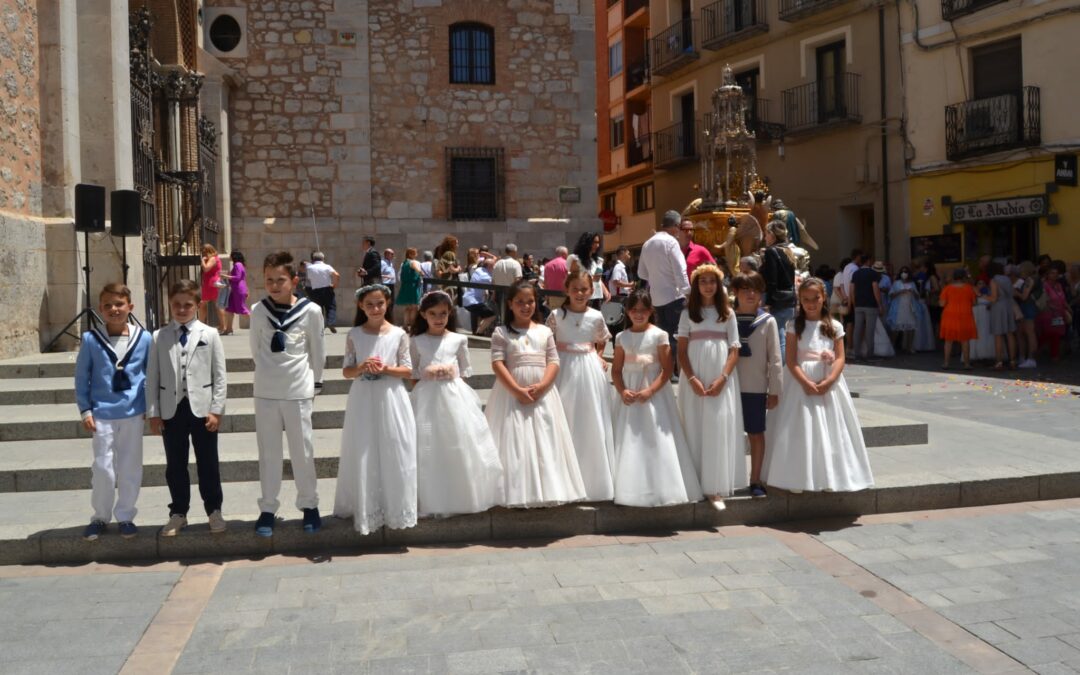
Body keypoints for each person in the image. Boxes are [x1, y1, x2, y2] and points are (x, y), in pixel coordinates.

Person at [762, 277, 874, 493]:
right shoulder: (794, 325)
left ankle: (829, 476)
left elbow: (840, 358)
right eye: (805, 299)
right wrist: (804, 382)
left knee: (830, 429)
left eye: (816, 298)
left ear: (824, 298)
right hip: (799, 381)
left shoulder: (835, 326)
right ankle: (797, 478)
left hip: (828, 380)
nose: (811, 303)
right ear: (799, 301)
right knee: (800, 429)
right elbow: (792, 360)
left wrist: (830, 380)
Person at [486, 281, 586, 506]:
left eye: (530, 301)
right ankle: (515, 491)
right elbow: (498, 363)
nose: (525, 306)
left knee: (545, 437)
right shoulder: (501, 332)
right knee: (514, 441)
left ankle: (548, 489)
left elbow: (553, 360)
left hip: (543, 392)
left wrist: (543, 386)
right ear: (510, 304)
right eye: (519, 302)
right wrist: (516, 390)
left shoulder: (545, 331)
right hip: (511, 393)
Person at [249, 251, 325, 537]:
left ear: (294, 280)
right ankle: (268, 508)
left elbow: (317, 351)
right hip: (267, 390)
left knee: (302, 452)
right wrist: (268, 373)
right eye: (269, 280)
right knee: (268, 453)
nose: (274, 285)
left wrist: (315, 382)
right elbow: (255, 350)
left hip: (298, 390)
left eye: (280, 280)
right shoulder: (258, 310)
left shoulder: (311, 311)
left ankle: (309, 505)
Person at [409, 291, 504, 516]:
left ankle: (463, 493)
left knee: (459, 440)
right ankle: (431, 495)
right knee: (428, 443)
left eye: (443, 313)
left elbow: (465, 370)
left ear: (449, 313)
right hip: (426, 397)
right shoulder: (416, 341)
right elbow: (412, 372)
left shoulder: (458, 339)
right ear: (423, 314)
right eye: (432, 314)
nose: (438, 318)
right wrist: (427, 373)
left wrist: (450, 372)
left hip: (454, 396)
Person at [146, 279, 228, 537]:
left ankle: (214, 509)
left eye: (187, 305)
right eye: (177, 305)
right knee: (175, 464)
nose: (182, 310)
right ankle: (178, 512)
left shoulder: (210, 334)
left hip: (202, 409)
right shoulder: (159, 337)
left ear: (198, 305)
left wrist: (216, 409)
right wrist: (154, 413)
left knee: (208, 462)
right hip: (172, 409)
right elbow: (153, 377)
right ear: (170, 305)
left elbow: (220, 375)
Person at [334, 284, 417, 534]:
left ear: (387, 303)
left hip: (391, 396)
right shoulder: (354, 334)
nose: (375, 308)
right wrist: (361, 367)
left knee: (395, 447)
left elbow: (408, 370)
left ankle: (396, 506)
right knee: (364, 448)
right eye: (369, 304)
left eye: (380, 303)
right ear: (361, 306)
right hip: (363, 398)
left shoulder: (399, 334)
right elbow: (347, 371)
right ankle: (366, 505)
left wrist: (385, 369)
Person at [611, 289, 703, 507]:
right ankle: (629, 488)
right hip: (629, 395)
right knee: (630, 439)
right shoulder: (621, 337)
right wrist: (622, 390)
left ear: (651, 311)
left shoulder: (659, 335)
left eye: (643, 310)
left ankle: (663, 487)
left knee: (655, 438)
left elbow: (667, 368)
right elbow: (616, 370)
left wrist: (650, 391)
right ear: (627, 312)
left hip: (654, 394)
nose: (638, 314)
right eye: (634, 310)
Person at [75, 283, 153, 540]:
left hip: (133, 411)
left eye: (119, 304)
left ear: (130, 307)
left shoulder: (144, 338)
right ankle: (100, 515)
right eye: (107, 305)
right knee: (102, 467)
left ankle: (126, 515)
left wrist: (150, 407)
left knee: (130, 466)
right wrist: (86, 410)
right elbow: (81, 377)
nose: (114, 309)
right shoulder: (90, 339)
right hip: (102, 413)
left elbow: (151, 375)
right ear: (100, 309)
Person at [676, 264, 744, 510]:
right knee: (694, 424)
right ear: (696, 286)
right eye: (703, 281)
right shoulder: (687, 314)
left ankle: (714, 487)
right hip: (694, 377)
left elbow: (734, 349)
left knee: (717, 426)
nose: (708, 285)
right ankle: (694, 481)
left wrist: (723, 378)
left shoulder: (726, 312)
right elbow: (681, 351)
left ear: (719, 285)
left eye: (712, 281)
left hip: (720, 378)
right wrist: (692, 378)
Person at [547, 269, 616, 502]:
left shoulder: (596, 315)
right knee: (565, 415)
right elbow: (548, 343)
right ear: (566, 289)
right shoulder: (556, 315)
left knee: (590, 418)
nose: (579, 293)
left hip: (588, 369)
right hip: (562, 367)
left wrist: (598, 355)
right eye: (575, 288)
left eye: (584, 289)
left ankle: (592, 479)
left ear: (591, 290)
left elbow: (601, 339)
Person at [732, 272, 781, 499]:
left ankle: (756, 479)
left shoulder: (768, 321)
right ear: (736, 293)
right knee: (727, 434)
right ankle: (727, 478)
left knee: (756, 433)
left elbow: (775, 358)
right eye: (745, 290)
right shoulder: (727, 319)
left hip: (756, 386)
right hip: (728, 387)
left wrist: (775, 389)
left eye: (755, 290)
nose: (750, 294)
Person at [637, 210, 691, 367]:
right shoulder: (671, 242)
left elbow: (642, 273)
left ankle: (663, 368)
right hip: (674, 297)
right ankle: (673, 370)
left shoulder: (647, 243)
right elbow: (680, 270)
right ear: (676, 226)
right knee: (676, 335)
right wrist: (687, 292)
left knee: (662, 335)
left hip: (656, 298)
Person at [761, 220, 798, 363]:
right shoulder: (788, 251)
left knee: (779, 336)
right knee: (783, 333)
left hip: (776, 300)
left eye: (766, 234)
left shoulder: (771, 251)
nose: (765, 237)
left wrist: (768, 302)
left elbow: (772, 280)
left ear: (772, 235)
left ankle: (782, 368)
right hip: (789, 298)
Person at [939, 267, 978, 370]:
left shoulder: (947, 288)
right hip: (965, 315)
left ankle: (946, 363)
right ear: (964, 277)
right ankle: (966, 364)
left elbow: (942, 303)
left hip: (950, 315)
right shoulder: (969, 288)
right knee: (965, 341)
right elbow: (974, 303)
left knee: (948, 341)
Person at [848, 254, 883, 361]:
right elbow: (875, 289)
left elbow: (852, 290)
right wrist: (880, 304)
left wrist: (854, 303)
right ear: (868, 261)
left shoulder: (856, 273)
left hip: (858, 304)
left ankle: (856, 354)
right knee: (869, 330)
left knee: (857, 329)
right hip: (871, 304)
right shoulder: (873, 273)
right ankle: (869, 354)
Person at [1036, 264, 1071, 363]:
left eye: (1056, 273)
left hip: (1059, 313)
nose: (1054, 275)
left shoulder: (1058, 285)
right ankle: (1043, 351)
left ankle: (1054, 355)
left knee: (1056, 334)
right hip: (1048, 313)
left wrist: (1067, 308)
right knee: (1048, 333)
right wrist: (1053, 308)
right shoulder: (1045, 285)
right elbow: (1044, 300)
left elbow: (1062, 299)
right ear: (1047, 275)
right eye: (1052, 273)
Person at [986, 261, 1017, 370]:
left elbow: (994, 298)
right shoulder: (1007, 279)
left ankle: (999, 362)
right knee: (1010, 334)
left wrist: (983, 296)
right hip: (1008, 306)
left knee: (998, 335)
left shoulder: (994, 280)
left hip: (998, 308)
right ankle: (1012, 360)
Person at [569, 232, 610, 308]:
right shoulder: (576, 260)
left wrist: (606, 291)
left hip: (597, 297)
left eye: (598, 242)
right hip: (583, 298)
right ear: (586, 243)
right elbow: (572, 280)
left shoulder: (598, 261)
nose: (597, 245)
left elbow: (598, 279)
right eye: (594, 242)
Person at [887, 265, 919, 354]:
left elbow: (917, 296)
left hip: (910, 307)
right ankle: (892, 346)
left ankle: (909, 347)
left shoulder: (912, 283)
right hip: (899, 308)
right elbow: (891, 295)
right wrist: (900, 292)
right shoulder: (896, 283)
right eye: (902, 272)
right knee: (896, 328)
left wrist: (913, 292)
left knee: (911, 327)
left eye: (906, 272)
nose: (904, 274)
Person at [306, 251, 340, 334]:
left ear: (313, 259)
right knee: (331, 307)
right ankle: (330, 322)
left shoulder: (310, 268)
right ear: (323, 258)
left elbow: (309, 279)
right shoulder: (327, 266)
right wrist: (334, 285)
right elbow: (336, 275)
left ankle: (320, 327)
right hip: (327, 289)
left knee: (319, 310)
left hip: (315, 291)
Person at [1014, 261, 1040, 368]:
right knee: (1022, 332)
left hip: (1028, 307)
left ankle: (1031, 359)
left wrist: (1015, 293)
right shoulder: (1028, 279)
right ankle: (1023, 357)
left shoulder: (1030, 280)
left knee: (1030, 333)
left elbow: (1024, 296)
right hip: (1026, 307)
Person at [464, 256, 498, 336]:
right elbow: (494, 283)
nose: (495, 269)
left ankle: (479, 332)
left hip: (470, 300)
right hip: (473, 301)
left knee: (483, 316)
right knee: (492, 316)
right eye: (494, 267)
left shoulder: (479, 270)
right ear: (490, 266)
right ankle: (479, 332)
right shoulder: (484, 275)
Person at [221, 250, 249, 335]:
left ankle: (260, 322)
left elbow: (237, 277)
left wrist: (225, 276)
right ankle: (228, 329)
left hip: (238, 290)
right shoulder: (239, 265)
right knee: (229, 309)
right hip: (235, 290)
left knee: (242, 309)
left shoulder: (237, 264)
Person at [394, 247, 424, 328]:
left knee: (407, 307)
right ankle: (412, 325)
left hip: (405, 286)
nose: (416, 254)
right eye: (415, 253)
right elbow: (417, 269)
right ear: (410, 254)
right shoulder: (414, 262)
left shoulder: (403, 263)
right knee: (414, 307)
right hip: (413, 287)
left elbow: (399, 276)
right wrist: (421, 273)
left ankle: (405, 324)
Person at [200, 244, 225, 327]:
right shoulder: (216, 258)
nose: (203, 253)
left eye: (204, 251)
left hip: (211, 283)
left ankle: (201, 324)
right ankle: (222, 326)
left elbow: (206, 269)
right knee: (217, 305)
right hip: (213, 283)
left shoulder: (213, 259)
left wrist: (202, 260)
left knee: (204, 303)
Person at [830, 257, 851, 323]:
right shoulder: (840, 275)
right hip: (838, 300)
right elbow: (836, 289)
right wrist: (843, 299)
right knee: (835, 319)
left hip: (839, 300)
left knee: (839, 319)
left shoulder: (842, 275)